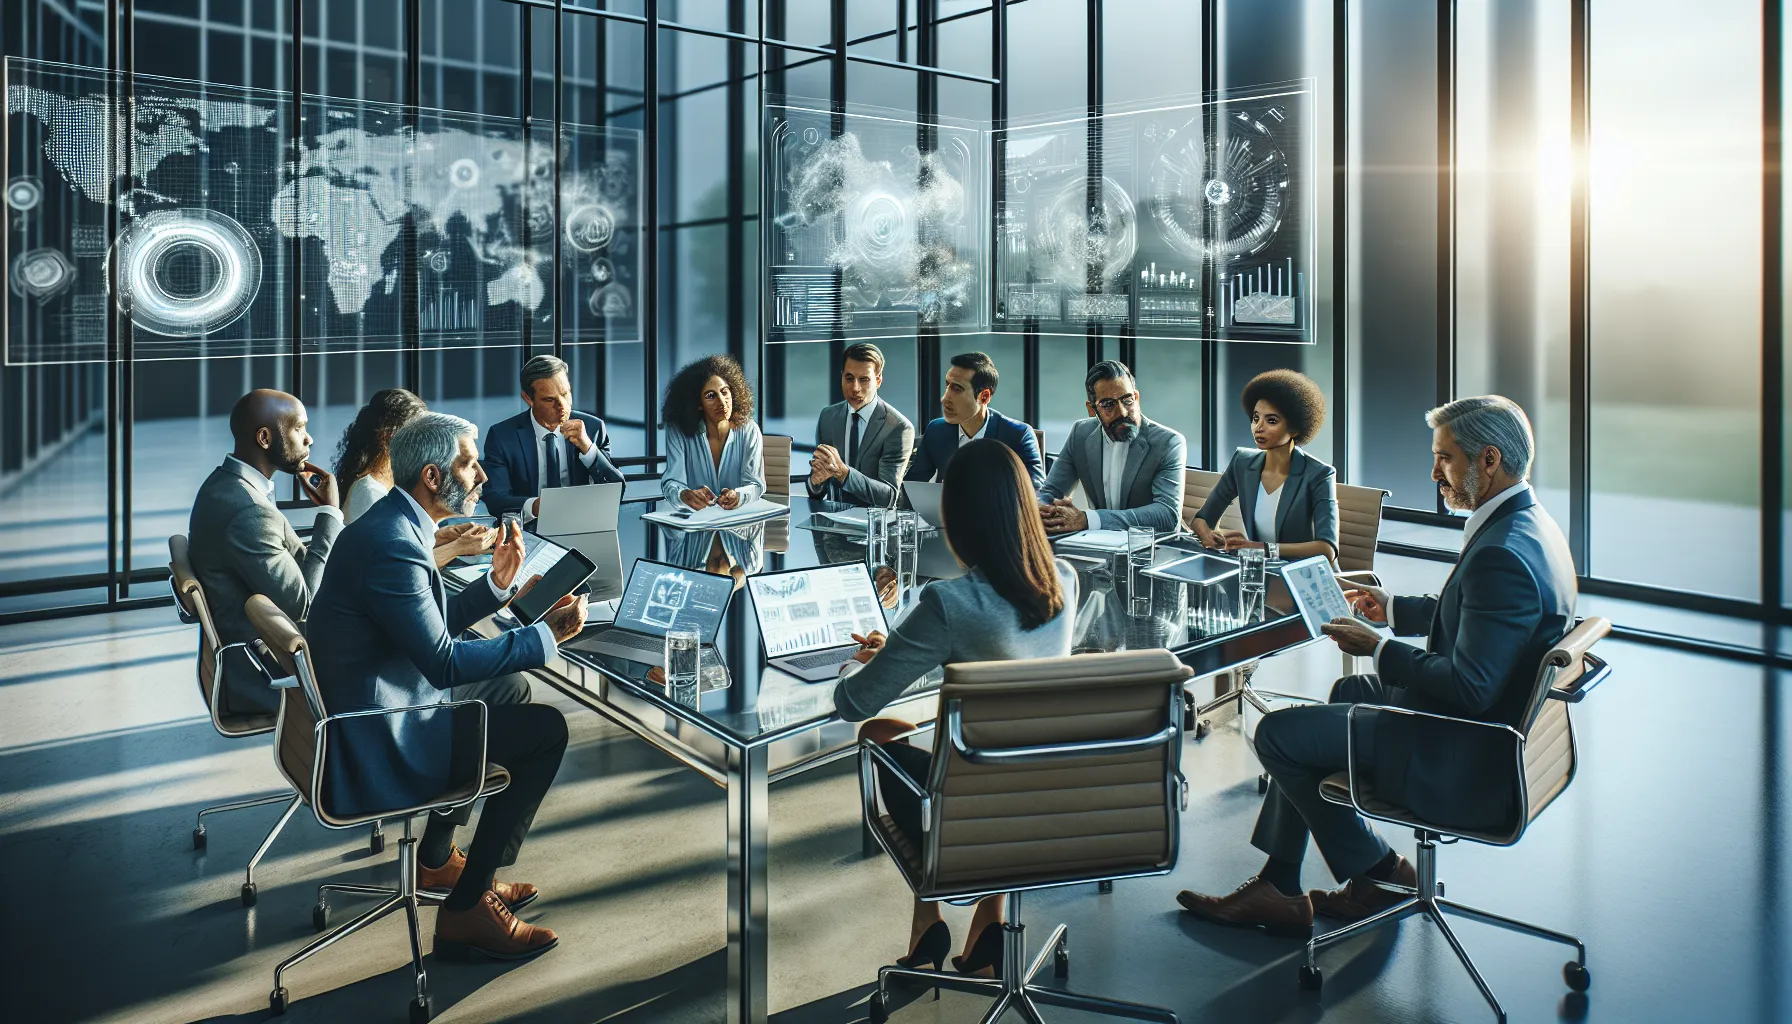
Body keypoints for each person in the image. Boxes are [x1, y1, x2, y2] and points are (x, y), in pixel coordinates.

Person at [1175, 396, 1576, 936]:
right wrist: (1392, 610)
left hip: (1459, 748)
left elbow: (1470, 687)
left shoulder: (1500, 553)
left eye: (1446, 458)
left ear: (1489, 460)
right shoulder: (1529, 524)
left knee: (1276, 734)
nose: (1434, 472)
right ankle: (1285, 882)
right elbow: (1480, 620)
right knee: (1346, 693)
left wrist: (1379, 647)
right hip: (1488, 733)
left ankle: (1378, 872)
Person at [308, 413, 589, 962]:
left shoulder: (395, 524)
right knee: (546, 732)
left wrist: (496, 586)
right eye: (470, 462)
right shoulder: (394, 543)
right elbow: (440, 661)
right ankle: (468, 907)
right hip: (383, 736)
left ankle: (447, 863)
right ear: (434, 477)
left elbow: (425, 625)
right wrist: (544, 638)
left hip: (374, 707)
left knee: (506, 696)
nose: (482, 475)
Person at [835, 438, 1079, 981]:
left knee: (880, 730)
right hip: (1054, 805)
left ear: (960, 517)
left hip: (969, 820)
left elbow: (853, 703)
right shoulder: (1064, 583)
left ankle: (931, 919)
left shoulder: (948, 602)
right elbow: (1005, 655)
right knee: (985, 750)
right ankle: (987, 922)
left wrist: (864, 662)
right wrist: (901, 652)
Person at [187, 389, 343, 716]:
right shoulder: (248, 511)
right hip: (270, 679)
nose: (309, 439)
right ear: (264, 437)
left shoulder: (225, 486)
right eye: (299, 428)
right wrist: (330, 514)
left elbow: (296, 567)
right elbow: (304, 607)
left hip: (258, 661)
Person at [334, 388, 494, 567]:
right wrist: (458, 547)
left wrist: (441, 536)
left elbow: (403, 546)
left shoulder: (386, 486)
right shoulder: (370, 494)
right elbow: (397, 566)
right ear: (392, 437)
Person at [1191, 369, 1339, 562]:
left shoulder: (1320, 474)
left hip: (1306, 576)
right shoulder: (1242, 463)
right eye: (1255, 418)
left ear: (1295, 428)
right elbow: (1201, 520)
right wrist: (1210, 537)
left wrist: (1261, 548)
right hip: (1260, 573)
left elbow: (1326, 550)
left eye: (1271, 421)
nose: (1259, 427)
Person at [1036, 360, 1187, 535]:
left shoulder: (1169, 443)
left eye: (1127, 400)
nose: (1122, 412)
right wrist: (1040, 510)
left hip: (1153, 549)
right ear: (1091, 409)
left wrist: (1088, 519)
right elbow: (1051, 492)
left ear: (1136, 398)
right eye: (1108, 404)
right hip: (1096, 546)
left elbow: (1167, 515)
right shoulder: (1080, 433)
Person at [481, 355, 625, 524]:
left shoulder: (593, 428)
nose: (562, 406)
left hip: (582, 525)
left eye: (565, 394)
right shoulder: (502, 436)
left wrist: (588, 448)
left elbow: (616, 491)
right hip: (528, 530)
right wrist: (535, 506)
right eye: (550, 400)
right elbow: (496, 498)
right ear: (528, 398)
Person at [904, 352, 1044, 489]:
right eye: (947, 386)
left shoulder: (1018, 435)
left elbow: (1036, 494)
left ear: (984, 397)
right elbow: (911, 485)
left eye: (957, 389)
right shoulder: (936, 430)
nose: (945, 399)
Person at [806, 341, 916, 507]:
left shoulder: (898, 427)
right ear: (842, 376)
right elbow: (819, 490)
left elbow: (889, 497)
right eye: (849, 378)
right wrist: (815, 483)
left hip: (875, 526)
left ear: (878, 381)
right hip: (834, 526)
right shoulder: (828, 417)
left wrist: (844, 474)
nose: (855, 388)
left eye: (864, 380)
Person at [659, 354, 767, 510]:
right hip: (695, 525)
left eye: (725, 392)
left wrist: (738, 496)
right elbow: (672, 482)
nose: (722, 402)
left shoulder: (749, 430)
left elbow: (756, 484)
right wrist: (684, 495)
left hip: (739, 525)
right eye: (711, 396)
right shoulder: (678, 431)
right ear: (697, 404)